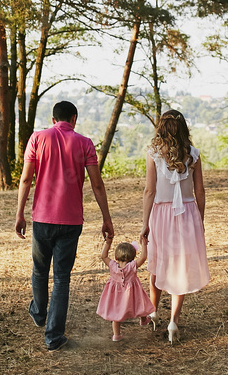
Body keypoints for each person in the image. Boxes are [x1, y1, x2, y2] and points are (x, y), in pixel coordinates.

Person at [15, 100, 114, 351]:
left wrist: (20, 214)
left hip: (43, 219)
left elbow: (26, 178)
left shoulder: (37, 138)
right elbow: (97, 184)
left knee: (39, 270)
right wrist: (106, 218)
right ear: (74, 119)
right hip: (71, 221)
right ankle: (54, 337)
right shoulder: (85, 143)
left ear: (52, 120)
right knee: (61, 279)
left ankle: (39, 313)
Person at [140, 109, 210, 345]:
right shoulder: (194, 155)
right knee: (179, 265)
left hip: (160, 214)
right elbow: (200, 191)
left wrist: (144, 224)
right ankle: (174, 322)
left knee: (158, 263)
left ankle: (153, 311)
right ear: (183, 129)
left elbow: (150, 191)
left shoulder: (153, 154)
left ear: (161, 128)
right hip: (187, 213)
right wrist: (199, 218)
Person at [96, 234, 155, 342]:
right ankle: (143, 319)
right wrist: (144, 244)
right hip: (132, 294)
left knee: (115, 313)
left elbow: (103, 256)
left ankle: (116, 335)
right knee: (140, 304)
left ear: (116, 257)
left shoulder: (113, 265)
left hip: (116, 295)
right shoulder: (132, 266)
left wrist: (108, 243)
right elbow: (143, 257)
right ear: (132, 257)